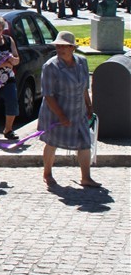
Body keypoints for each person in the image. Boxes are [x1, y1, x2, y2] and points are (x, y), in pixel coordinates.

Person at [38, 32, 101, 189]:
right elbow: (48, 95)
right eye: (58, 46)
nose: (60, 49)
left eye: (63, 46)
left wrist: (89, 106)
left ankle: (86, 177)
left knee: (85, 143)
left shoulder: (82, 62)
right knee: (52, 143)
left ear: (72, 48)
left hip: (78, 111)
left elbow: (84, 87)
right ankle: (47, 173)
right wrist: (61, 115)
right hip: (55, 112)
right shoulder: (51, 67)